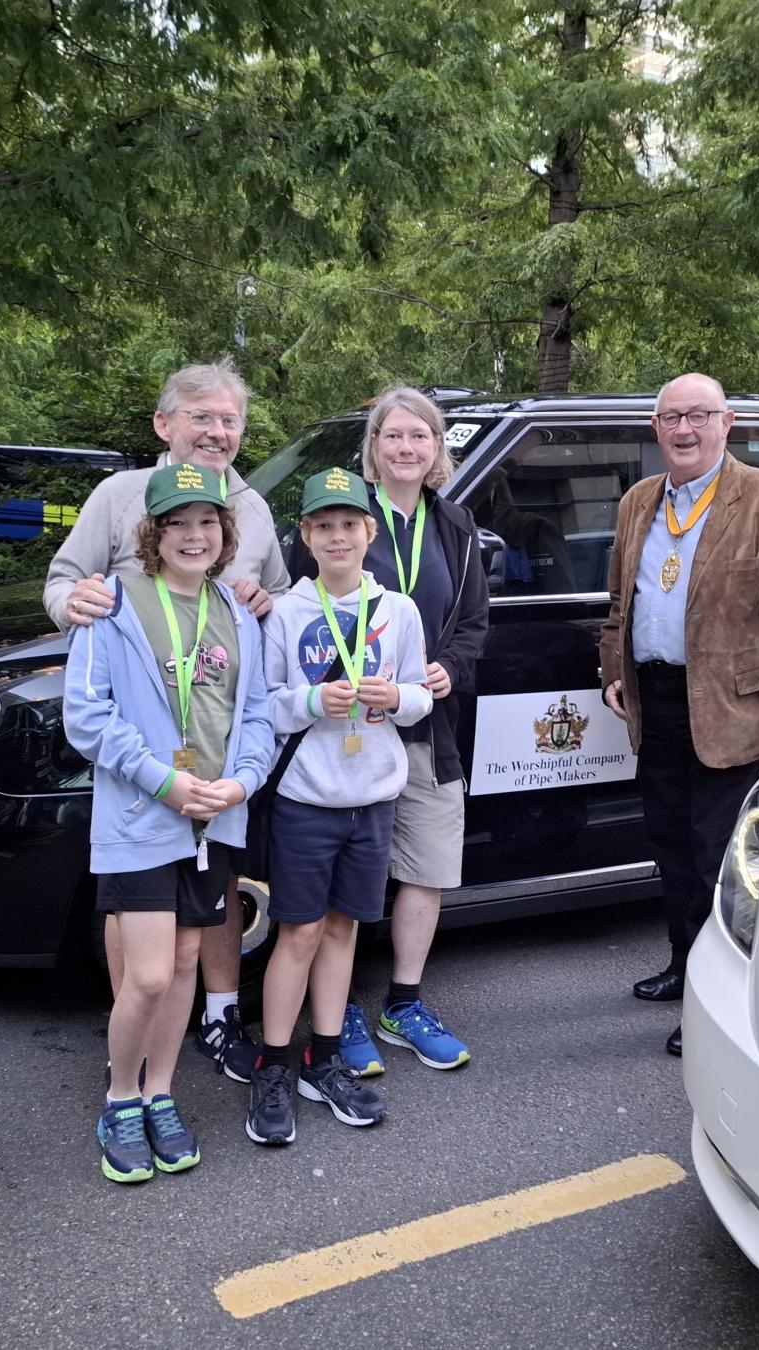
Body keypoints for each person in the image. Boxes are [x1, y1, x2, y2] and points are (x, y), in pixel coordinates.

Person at [45, 360, 289, 1082]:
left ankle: (206, 1028)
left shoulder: (255, 507)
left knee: (201, 918)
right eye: (202, 417)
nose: (218, 431)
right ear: (165, 424)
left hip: (215, 765)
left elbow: (271, 605)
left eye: (230, 420)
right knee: (147, 950)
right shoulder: (120, 496)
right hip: (145, 761)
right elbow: (65, 584)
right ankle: (133, 1055)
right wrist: (77, 608)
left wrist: (266, 605)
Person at [63, 463, 274, 1183]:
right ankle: (120, 1099)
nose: (193, 535)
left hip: (213, 821)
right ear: (151, 532)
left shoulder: (240, 612)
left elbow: (256, 718)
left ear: (225, 532)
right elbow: (87, 718)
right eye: (177, 523)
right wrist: (166, 782)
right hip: (143, 818)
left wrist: (240, 783)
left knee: (186, 964)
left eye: (206, 522)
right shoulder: (112, 604)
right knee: (149, 977)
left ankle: (160, 1094)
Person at [599, 372, 759, 1057]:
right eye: (672, 418)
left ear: (728, 422)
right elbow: (619, 602)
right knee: (668, 845)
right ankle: (682, 963)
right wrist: (614, 671)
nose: (685, 430)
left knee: (719, 858)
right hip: (659, 702)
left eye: (698, 416)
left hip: (735, 709)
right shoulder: (641, 500)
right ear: (657, 428)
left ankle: (723, 997)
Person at [290, 387, 490, 1076]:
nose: (407, 448)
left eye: (421, 437)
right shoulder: (344, 516)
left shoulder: (457, 524)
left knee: (425, 871)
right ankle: (336, 1008)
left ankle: (403, 1003)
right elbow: (303, 608)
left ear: (438, 450)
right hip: (347, 733)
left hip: (427, 727)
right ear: (373, 447)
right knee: (347, 880)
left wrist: (448, 669)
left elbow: (472, 623)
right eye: (394, 436)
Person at [248, 468, 432, 1145]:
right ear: (305, 536)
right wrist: (308, 703)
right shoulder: (289, 613)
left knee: (344, 931)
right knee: (297, 932)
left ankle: (323, 1060)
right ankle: (274, 1063)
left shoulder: (398, 612)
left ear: (369, 532)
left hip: (372, 797)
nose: (336, 537)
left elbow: (420, 695)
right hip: (308, 798)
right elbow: (266, 704)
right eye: (323, 526)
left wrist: (397, 699)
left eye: (348, 525)